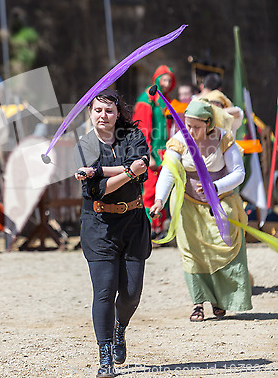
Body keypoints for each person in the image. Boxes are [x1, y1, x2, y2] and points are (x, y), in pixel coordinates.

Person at [150, 99, 252, 322]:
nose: (191, 130)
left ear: (209, 123)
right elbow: (167, 172)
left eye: (196, 126)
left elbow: (238, 173)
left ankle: (221, 300)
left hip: (220, 203)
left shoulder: (224, 138)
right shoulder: (179, 140)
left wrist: (215, 187)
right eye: (187, 125)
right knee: (193, 255)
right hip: (188, 205)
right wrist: (159, 200)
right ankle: (198, 303)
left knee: (223, 248)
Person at [74, 89, 151, 378]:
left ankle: (121, 329)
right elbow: (97, 189)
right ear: (90, 114)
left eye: (108, 110)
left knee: (131, 294)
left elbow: (142, 166)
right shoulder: (84, 145)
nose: (103, 116)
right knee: (104, 292)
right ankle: (104, 354)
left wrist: (100, 170)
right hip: (99, 225)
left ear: (118, 113)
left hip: (133, 222)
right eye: (97, 110)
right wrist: (127, 172)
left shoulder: (132, 136)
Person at [133, 65, 176, 237]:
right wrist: (147, 154)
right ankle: (147, 229)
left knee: (162, 192)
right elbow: (141, 130)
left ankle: (158, 228)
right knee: (149, 191)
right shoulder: (146, 100)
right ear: (156, 79)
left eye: (170, 81)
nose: (166, 84)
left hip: (164, 153)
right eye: (164, 79)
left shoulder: (165, 101)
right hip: (152, 155)